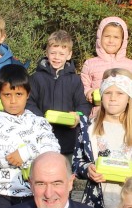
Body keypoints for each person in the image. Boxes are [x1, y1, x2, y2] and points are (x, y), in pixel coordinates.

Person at [71, 69, 132, 208]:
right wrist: (88, 168)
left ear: (129, 98)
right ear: (101, 95)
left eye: (120, 93)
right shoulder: (87, 128)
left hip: (129, 206)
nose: (113, 98)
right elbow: (76, 162)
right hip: (96, 205)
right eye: (108, 93)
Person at [0, 65, 60, 208]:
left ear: (28, 94)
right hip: (1, 196)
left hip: (33, 195)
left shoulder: (39, 123)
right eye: (7, 95)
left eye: (19, 94)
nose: (13, 100)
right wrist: (35, 149)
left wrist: (25, 152)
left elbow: (52, 150)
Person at [27, 30, 91, 158]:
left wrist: (77, 116)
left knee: (65, 173)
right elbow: (29, 102)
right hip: (41, 137)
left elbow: (83, 105)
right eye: (53, 53)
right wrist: (41, 119)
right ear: (47, 53)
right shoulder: (36, 78)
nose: (57, 57)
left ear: (69, 55)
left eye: (61, 54)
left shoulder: (75, 80)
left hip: (68, 139)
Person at [80, 16, 132, 102]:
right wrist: (88, 92)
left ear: (123, 40)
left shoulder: (131, 65)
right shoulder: (90, 64)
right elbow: (83, 86)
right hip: (98, 113)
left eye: (116, 37)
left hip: (123, 113)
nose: (111, 41)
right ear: (100, 37)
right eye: (107, 36)